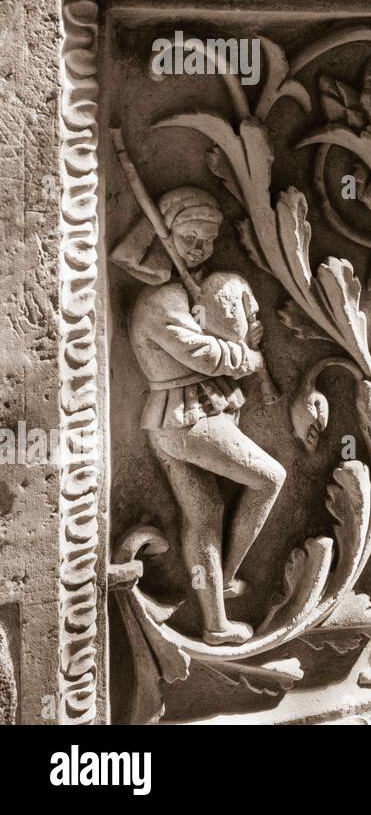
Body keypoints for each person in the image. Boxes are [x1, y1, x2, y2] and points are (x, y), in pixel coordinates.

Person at [113, 186, 285, 646]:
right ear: (165, 236)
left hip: (181, 422)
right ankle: (226, 575)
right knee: (270, 478)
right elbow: (203, 354)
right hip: (185, 420)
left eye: (206, 241)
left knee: (206, 514)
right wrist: (244, 357)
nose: (198, 249)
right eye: (188, 237)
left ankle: (215, 623)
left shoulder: (182, 295)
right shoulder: (159, 301)